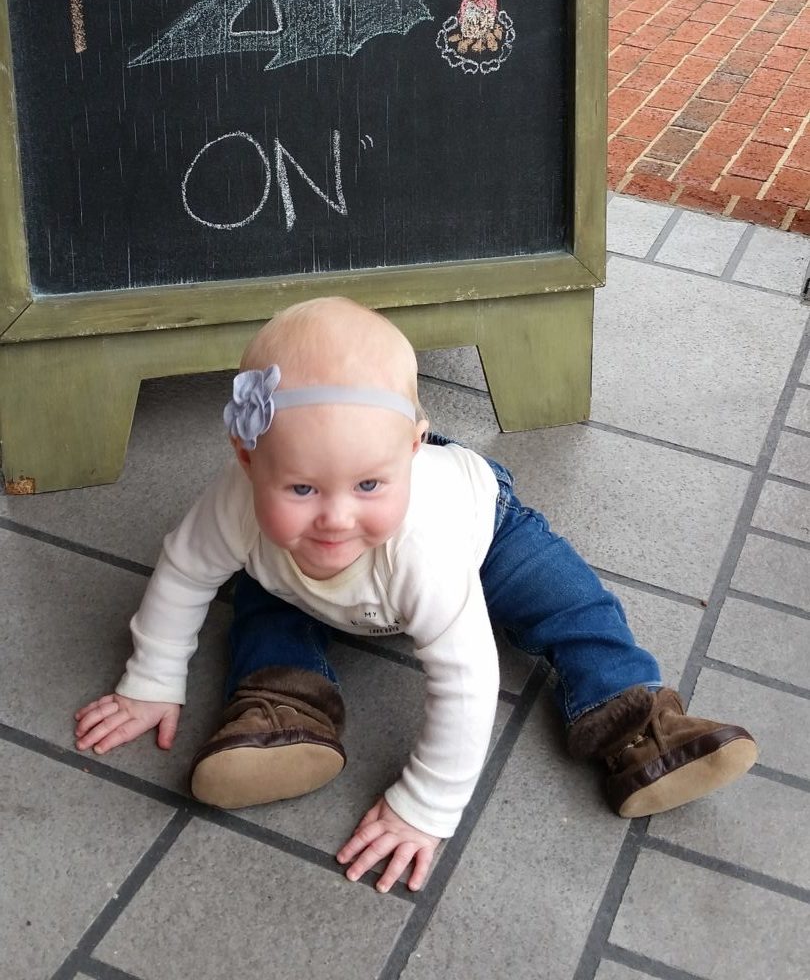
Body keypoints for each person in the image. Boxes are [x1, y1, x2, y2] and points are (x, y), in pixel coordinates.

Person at [74, 297, 757, 894]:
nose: (336, 519)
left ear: (412, 448)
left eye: (368, 484)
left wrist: (426, 804)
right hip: (303, 583)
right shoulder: (235, 508)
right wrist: (152, 678)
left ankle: (637, 718)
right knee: (262, 600)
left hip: (485, 532)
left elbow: (466, 676)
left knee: (566, 603)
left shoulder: (425, 546)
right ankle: (282, 711)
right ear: (246, 458)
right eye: (303, 488)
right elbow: (185, 572)